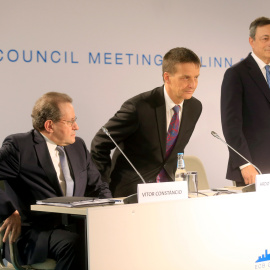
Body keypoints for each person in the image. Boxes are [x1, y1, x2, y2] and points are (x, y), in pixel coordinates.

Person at [0, 92, 112, 270]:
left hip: (78, 226)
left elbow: (98, 187)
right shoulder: (19, 146)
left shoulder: (78, 146)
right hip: (35, 233)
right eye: (70, 121)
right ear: (49, 125)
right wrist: (8, 211)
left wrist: (111, 213)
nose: (76, 126)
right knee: (75, 244)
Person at [91, 47, 202, 197]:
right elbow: (99, 144)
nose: (193, 84)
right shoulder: (138, 107)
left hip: (170, 191)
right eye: (186, 78)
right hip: (131, 192)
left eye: (196, 77)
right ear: (167, 77)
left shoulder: (194, 107)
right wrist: (103, 186)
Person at [221, 17, 270, 186]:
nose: (269, 43)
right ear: (252, 41)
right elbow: (231, 125)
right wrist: (244, 163)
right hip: (253, 170)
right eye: (265, 38)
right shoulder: (236, 74)